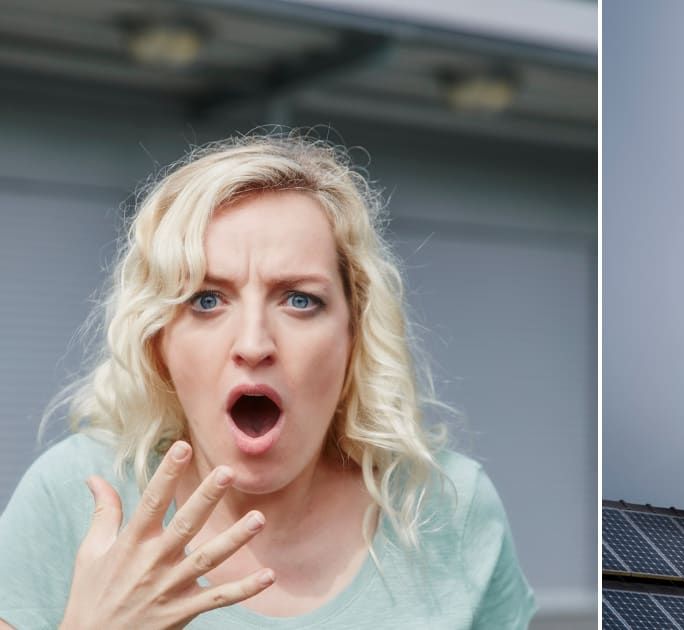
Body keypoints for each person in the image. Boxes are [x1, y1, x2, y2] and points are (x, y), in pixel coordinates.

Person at [0, 133, 536, 628]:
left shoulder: (449, 509)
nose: (254, 344)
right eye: (206, 300)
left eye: (299, 299)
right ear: (159, 341)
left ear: (354, 336)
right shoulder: (77, 501)